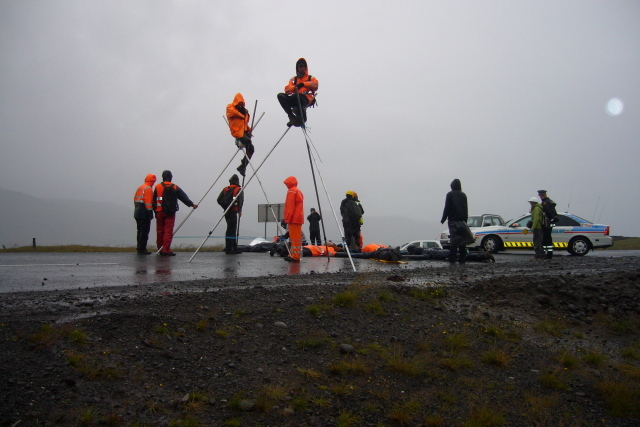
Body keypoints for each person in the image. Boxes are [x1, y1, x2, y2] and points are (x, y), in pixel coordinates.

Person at [153, 170, 198, 256]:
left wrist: (155, 211)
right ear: (170, 177)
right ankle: (166, 249)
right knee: (168, 231)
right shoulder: (175, 187)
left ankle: (160, 248)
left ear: (163, 177)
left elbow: (154, 200)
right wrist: (192, 205)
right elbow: (183, 197)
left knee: (160, 231)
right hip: (170, 212)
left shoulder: (158, 187)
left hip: (159, 211)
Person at [277, 58, 319, 127]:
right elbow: (287, 89)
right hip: (295, 97)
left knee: (297, 96)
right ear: (297, 68)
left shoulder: (310, 78)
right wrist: (295, 87)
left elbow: (315, 85)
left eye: (303, 66)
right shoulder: (294, 79)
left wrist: (303, 84)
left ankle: (302, 115)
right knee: (280, 96)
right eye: (300, 66)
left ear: (305, 67)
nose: (302, 68)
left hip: (306, 99)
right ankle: (291, 116)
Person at [440, 179, 471, 264]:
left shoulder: (450, 194)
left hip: (453, 220)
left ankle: (452, 258)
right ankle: (462, 258)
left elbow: (447, 208)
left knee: (453, 239)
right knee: (462, 239)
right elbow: (466, 208)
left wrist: (443, 219)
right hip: (462, 220)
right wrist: (465, 220)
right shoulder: (463, 195)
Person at [226, 93, 253, 177]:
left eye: (242, 103)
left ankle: (243, 166)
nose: (241, 104)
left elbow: (244, 123)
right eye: (239, 103)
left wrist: (249, 130)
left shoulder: (243, 111)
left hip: (243, 132)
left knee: (251, 149)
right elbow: (235, 113)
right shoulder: (230, 107)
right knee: (248, 141)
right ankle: (242, 165)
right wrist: (243, 113)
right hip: (237, 132)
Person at [217, 174, 244, 255]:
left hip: (227, 212)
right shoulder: (239, 189)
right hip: (233, 211)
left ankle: (232, 247)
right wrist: (239, 211)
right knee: (232, 230)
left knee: (230, 229)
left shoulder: (226, 189)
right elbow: (241, 201)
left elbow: (218, 200)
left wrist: (225, 207)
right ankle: (230, 248)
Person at [133, 173, 157, 254]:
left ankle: (139, 246)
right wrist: (150, 213)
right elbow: (148, 202)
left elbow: (135, 199)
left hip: (137, 211)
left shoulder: (140, 187)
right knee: (144, 231)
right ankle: (142, 248)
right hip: (144, 213)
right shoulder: (148, 189)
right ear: (152, 181)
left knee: (139, 230)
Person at [283, 176, 304, 262]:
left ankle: (295, 256)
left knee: (294, 238)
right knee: (295, 238)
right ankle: (293, 254)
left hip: (293, 219)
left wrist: (287, 219)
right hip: (298, 218)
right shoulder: (298, 191)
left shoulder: (291, 191)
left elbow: (290, 206)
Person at [538, 190, 558, 259]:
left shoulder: (545, 203)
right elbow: (554, 213)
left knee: (545, 238)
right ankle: (549, 252)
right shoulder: (550, 201)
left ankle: (547, 254)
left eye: (540, 195)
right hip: (551, 223)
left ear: (541, 195)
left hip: (547, 223)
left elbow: (548, 212)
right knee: (548, 238)